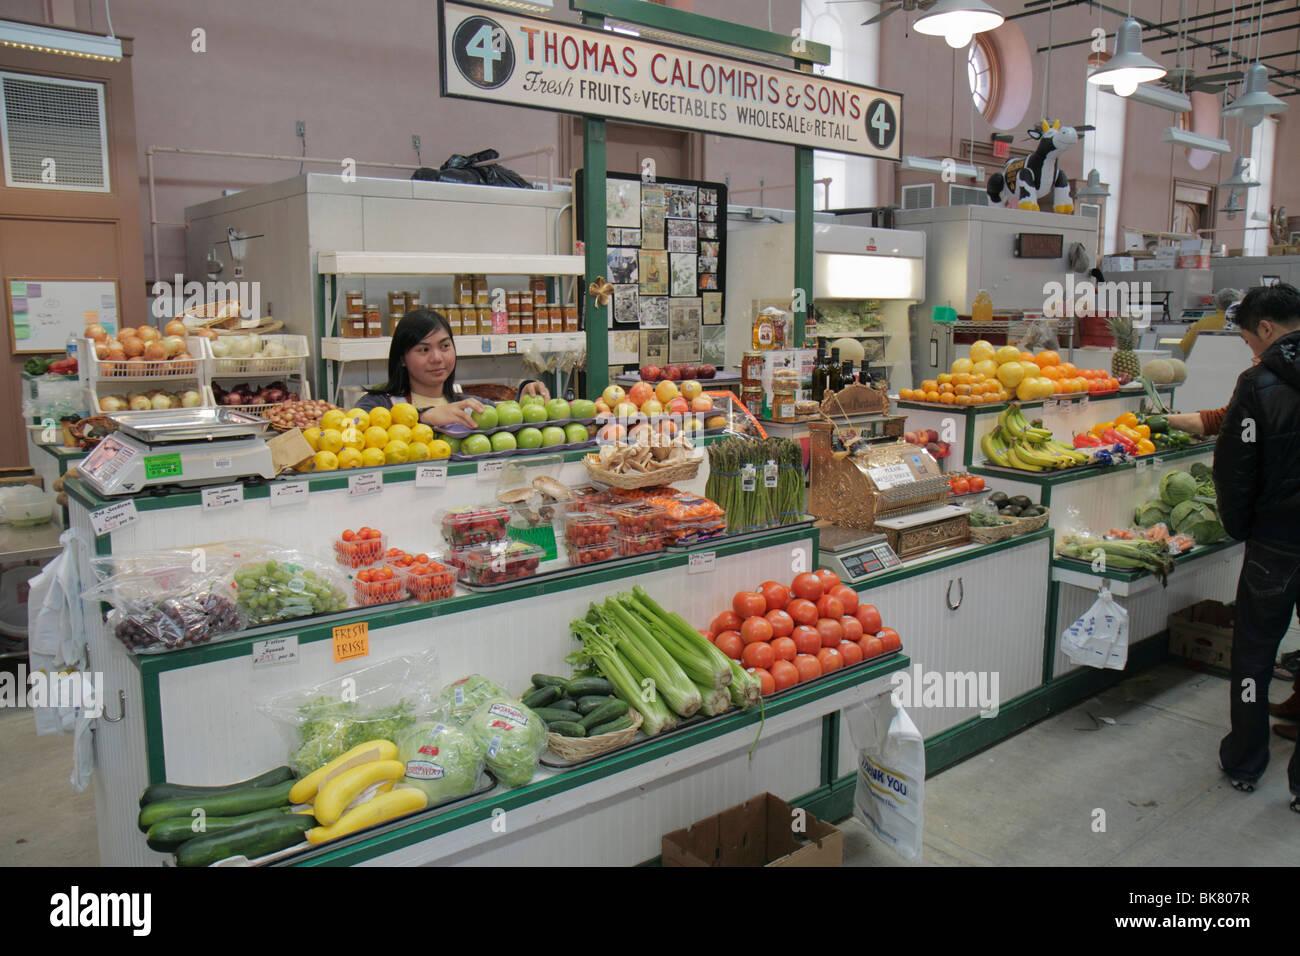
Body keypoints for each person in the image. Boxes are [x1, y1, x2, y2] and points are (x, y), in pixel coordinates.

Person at [1212, 282, 1300, 813]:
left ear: (1266, 328)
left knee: (1254, 655)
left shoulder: (1258, 382)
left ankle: (1245, 761)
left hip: (1276, 541)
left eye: (1249, 339)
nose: (1251, 350)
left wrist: (1243, 528)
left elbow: (1234, 469)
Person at [356, 309, 549, 428]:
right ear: (402, 359)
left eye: (445, 346)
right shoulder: (374, 405)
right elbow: (347, 437)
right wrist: (422, 417)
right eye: (423, 349)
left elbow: (510, 421)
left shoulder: (469, 406)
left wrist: (524, 400)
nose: (437, 358)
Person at [1178, 287, 1240, 358]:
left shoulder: (1203, 322)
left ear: (1217, 302)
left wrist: (1191, 329)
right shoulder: (1244, 323)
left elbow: (1185, 347)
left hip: (1204, 363)